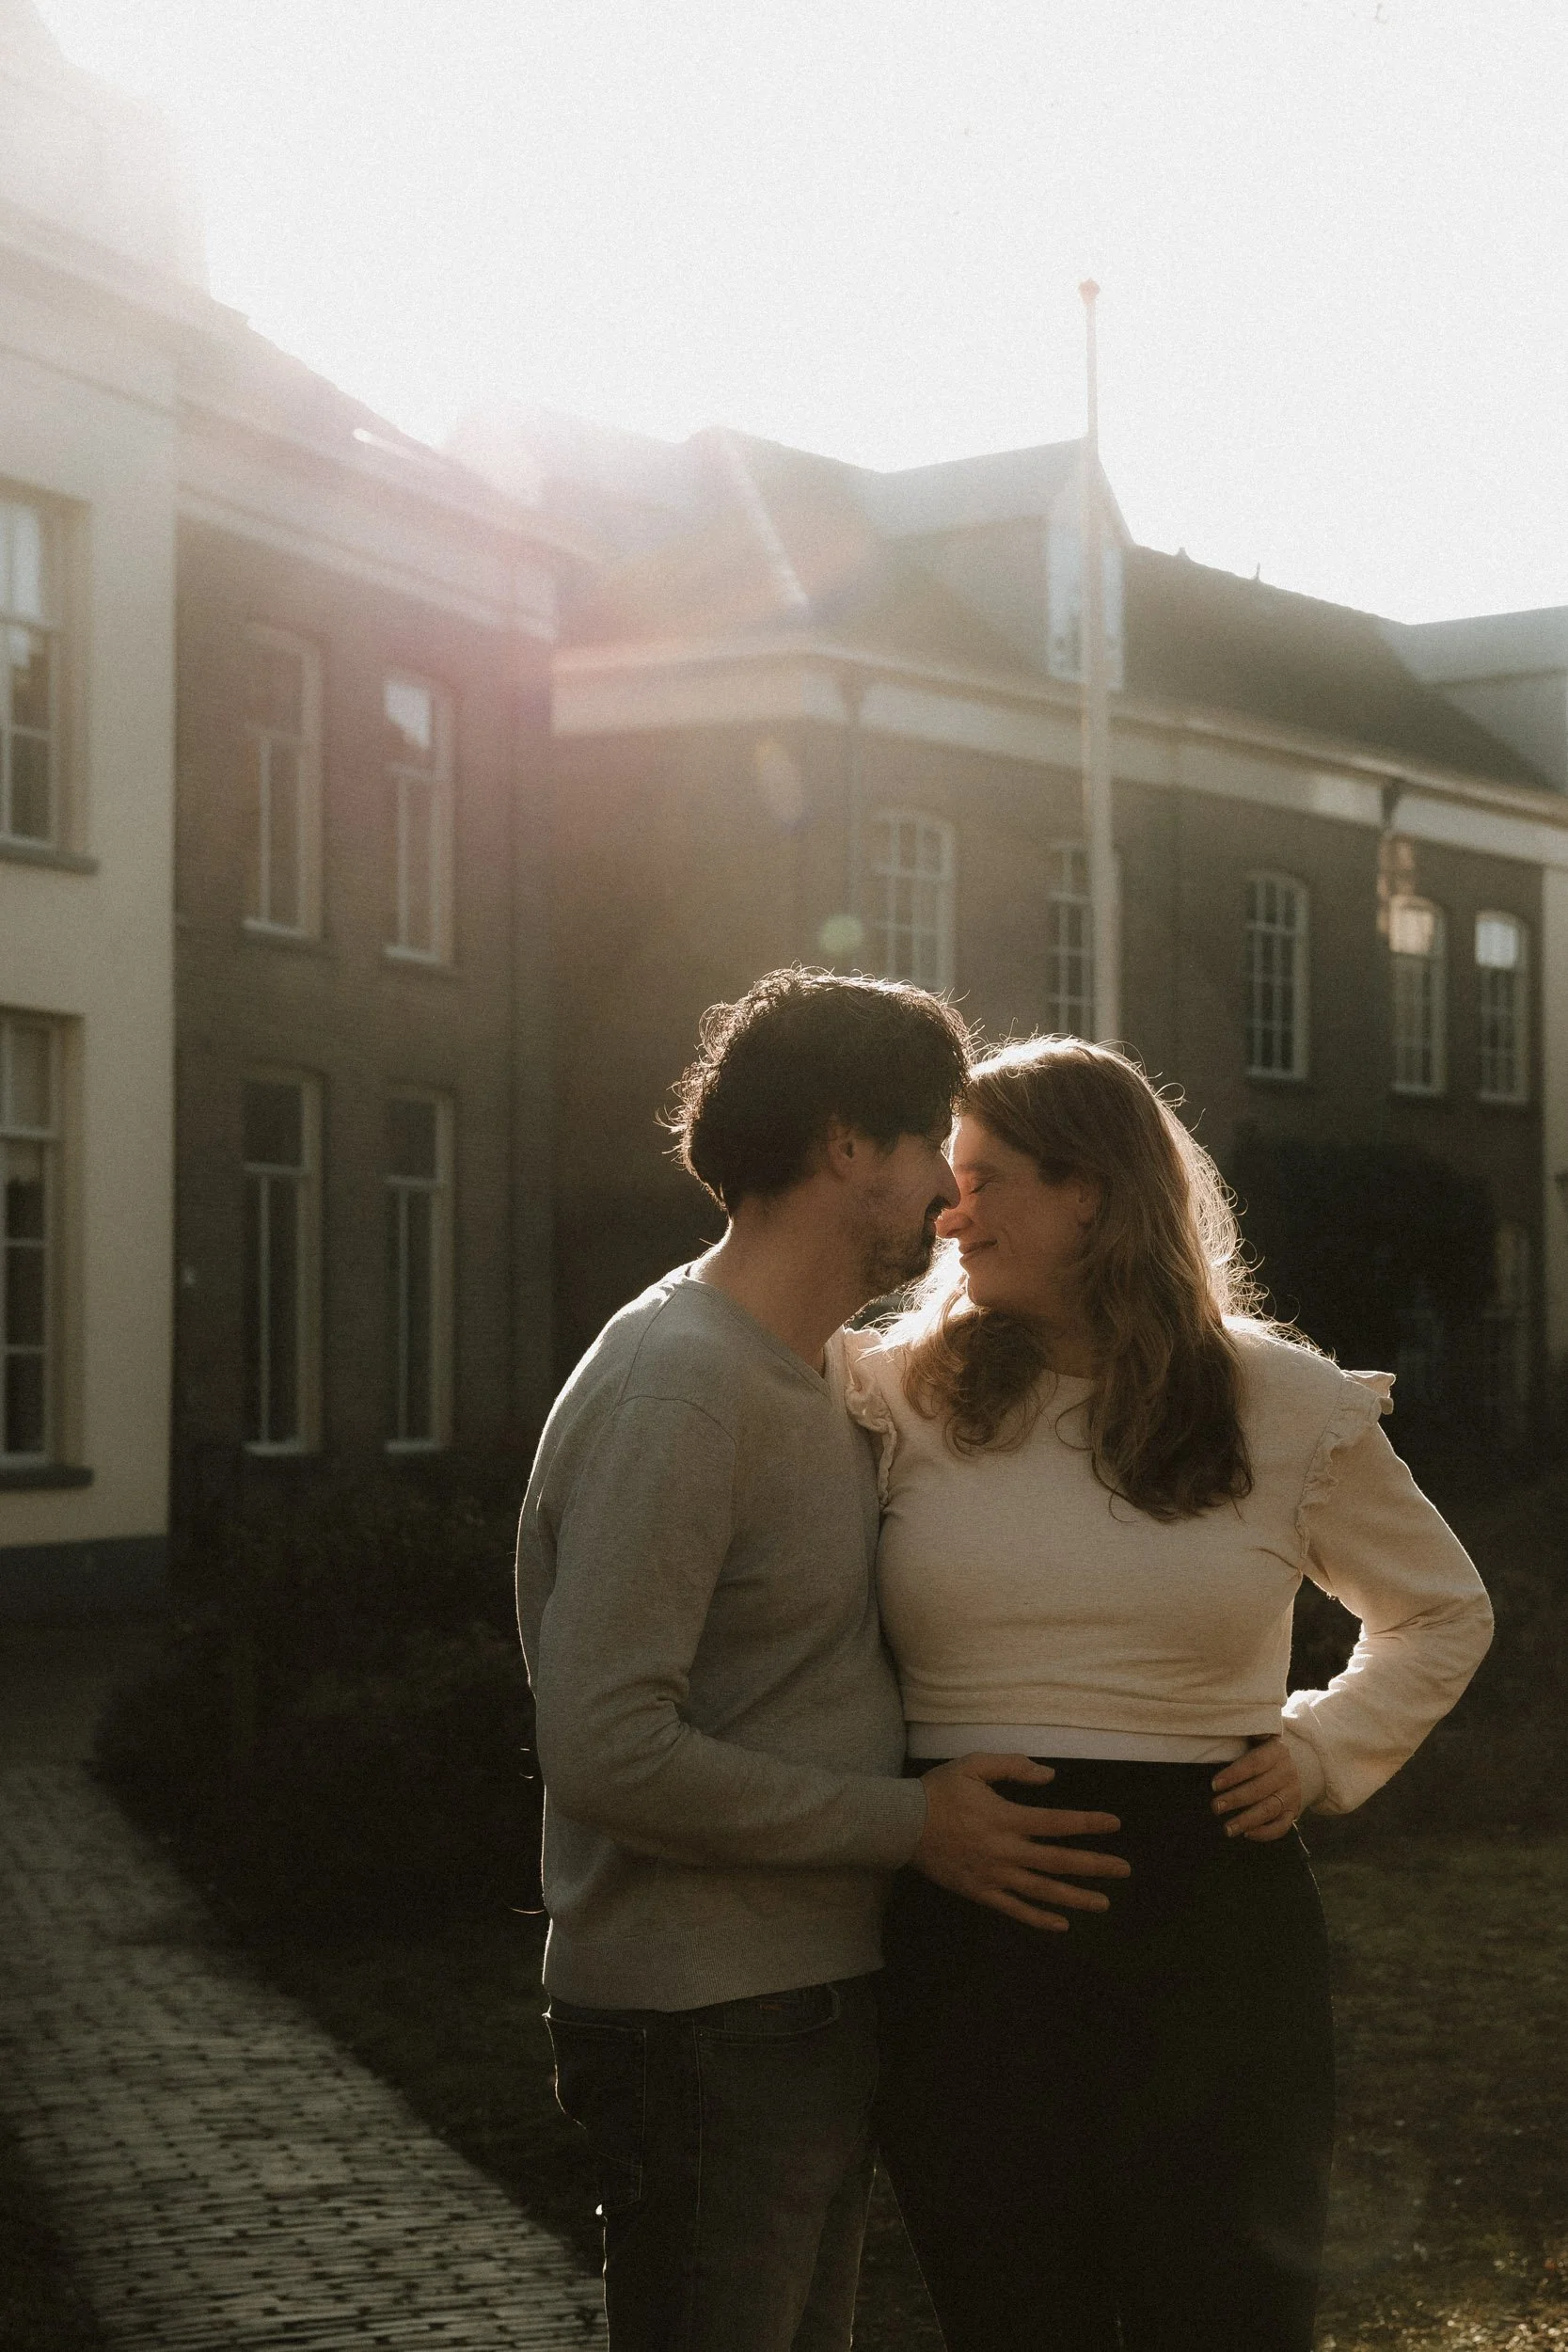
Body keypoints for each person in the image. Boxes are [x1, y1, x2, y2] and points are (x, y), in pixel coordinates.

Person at [844, 1036, 1494, 2352]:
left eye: (985, 1178)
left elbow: (1440, 1611)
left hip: (1210, 1932)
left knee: (1227, 2317)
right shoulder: (889, 1392)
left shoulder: (1281, 1400)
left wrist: (1316, 1750)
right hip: (968, 1938)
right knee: (1014, 2314)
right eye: (947, 1179)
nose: (947, 1211)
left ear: (1091, 1192)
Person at [515, 973, 1130, 2352]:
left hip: (788, 2005)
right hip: (708, 2019)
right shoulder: (684, 1384)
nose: (951, 1205)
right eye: (934, 1159)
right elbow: (607, 1744)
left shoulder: (812, 1374)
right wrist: (912, 1825)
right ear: (849, 1144)